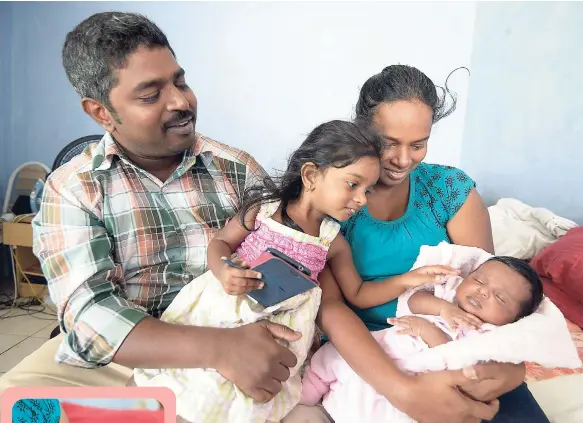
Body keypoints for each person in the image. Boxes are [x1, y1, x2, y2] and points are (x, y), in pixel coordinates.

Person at [0, 13, 314, 422]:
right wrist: (218, 349)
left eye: (180, 81)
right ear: (100, 111)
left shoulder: (237, 170)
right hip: (124, 355)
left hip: (238, 329)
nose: (181, 102)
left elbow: (289, 261)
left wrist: (243, 340)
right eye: (150, 95)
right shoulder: (73, 189)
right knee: (17, 407)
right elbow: (92, 318)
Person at [291, 64, 551, 423]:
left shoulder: (449, 191)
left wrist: (509, 370)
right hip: (375, 357)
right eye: (389, 143)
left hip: (458, 348)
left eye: (418, 144)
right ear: (362, 127)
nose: (402, 160)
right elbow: (332, 309)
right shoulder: (336, 199)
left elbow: (494, 289)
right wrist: (401, 389)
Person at [133, 119, 386, 422]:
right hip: (229, 306)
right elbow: (221, 243)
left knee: (244, 396)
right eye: (352, 184)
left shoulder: (333, 241)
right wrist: (225, 270)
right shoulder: (264, 210)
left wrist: (412, 279)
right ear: (310, 175)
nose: (361, 199)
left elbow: (357, 293)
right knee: (194, 380)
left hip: (281, 327)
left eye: (368, 190)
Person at [300, 255, 545, 423]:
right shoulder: (448, 295)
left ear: (514, 320)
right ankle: (301, 397)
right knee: (332, 357)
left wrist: (429, 332)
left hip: (424, 372)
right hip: (383, 346)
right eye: (479, 280)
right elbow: (413, 300)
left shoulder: (490, 335)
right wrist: (442, 309)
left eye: (500, 298)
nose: (483, 291)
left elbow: (462, 361)